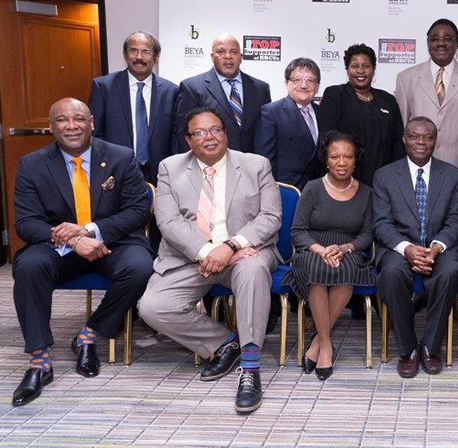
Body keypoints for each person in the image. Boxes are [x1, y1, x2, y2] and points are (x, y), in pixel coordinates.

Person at [11, 98, 153, 407]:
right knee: (28, 265)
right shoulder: (32, 164)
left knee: (141, 266)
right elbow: (25, 222)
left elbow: (139, 210)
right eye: (62, 120)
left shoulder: (120, 157)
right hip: (58, 247)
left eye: (78, 119)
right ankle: (39, 360)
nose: (71, 126)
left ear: (92, 122)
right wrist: (73, 241)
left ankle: (88, 335)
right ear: (51, 127)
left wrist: (88, 231)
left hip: (109, 241)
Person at [138, 107, 281, 414]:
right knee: (152, 306)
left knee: (253, 269)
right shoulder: (170, 168)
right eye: (200, 132)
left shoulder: (256, 165)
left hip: (245, 253)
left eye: (216, 129)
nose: (210, 137)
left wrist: (230, 246)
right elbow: (168, 221)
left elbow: (270, 217)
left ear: (226, 133)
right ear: (188, 139)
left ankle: (250, 368)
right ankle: (224, 343)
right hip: (191, 258)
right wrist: (207, 252)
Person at [373, 116, 458, 378]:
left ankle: (430, 347)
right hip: (398, 247)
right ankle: (408, 350)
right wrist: (407, 249)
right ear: (404, 139)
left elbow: (456, 220)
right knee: (391, 273)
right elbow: (381, 223)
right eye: (414, 136)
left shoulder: (453, 175)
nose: (421, 142)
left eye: (427, 137)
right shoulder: (385, 175)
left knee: (448, 272)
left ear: (435, 141)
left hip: (440, 246)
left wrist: (435, 249)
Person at [284, 131, 375, 381]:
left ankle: (316, 343)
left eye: (348, 156)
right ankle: (326, 345)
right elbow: (298, 231)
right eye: (336, 156)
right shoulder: (313, 188)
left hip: (348, 249)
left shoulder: (366, 192)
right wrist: (321, 250)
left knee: (345, 270)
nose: (342, 162)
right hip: (313, 248)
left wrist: (345, 248)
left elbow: (367, 235)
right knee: (316, 270)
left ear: (356, 160)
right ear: (326, 159)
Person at [395, 18, 458, 186]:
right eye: (435, 39)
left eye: (447, 38)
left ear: (457, 43)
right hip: (416, 168)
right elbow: (401, 129)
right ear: (428, 42)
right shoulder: (406, 78)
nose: (441, 43)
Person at [88, 31, 178, 184]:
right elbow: (95, 134)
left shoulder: (172, 91)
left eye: (146, 52)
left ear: (155, 58)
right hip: (115, 171)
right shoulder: (103, 87)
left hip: (160, 172)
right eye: (133, 50)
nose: (139, 57)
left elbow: (175, 137)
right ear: (125, 55)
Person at [319, 44, 404, 187]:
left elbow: (398, 142)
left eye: (366, 66)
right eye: (354, 66)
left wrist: (395, 177)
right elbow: (327, 138)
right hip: (346, 178)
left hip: (384, 179)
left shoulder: (387, 100)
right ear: (347, 69)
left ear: (373, 69)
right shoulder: (335, 95)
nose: (360, 71)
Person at [174, 34, 271, 154]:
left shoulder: (261, 89)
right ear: (212, 56)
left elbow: (266, 133)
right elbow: (184, 134)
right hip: (210, 163)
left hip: (251, 165)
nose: (228, 56)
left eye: (234, 52)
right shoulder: (192, 88)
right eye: (221, 51)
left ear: (241, 57)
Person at [255, 57, 324, 191]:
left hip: (317, 192)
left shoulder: (324, 113)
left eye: (310, 80)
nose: (304, 85)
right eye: (297, 80)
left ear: (317, 86)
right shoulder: (271, 112)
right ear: (287, 84)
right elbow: (265, 160)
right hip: (285, 191)